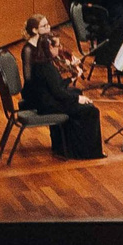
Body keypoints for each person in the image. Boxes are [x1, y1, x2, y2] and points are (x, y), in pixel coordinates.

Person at [19, 17, 101, 159]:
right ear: (49, 48)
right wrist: (77, 99)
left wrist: (72, 80)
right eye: (57, 46)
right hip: (48, 104)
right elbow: (57, 92)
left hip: (48, 98)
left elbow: (55, 85)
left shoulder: (44, 60)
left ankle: (63, 145)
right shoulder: (45, 65)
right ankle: (83, 152)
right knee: (91, 111)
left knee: (77, 92)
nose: (60, 48)